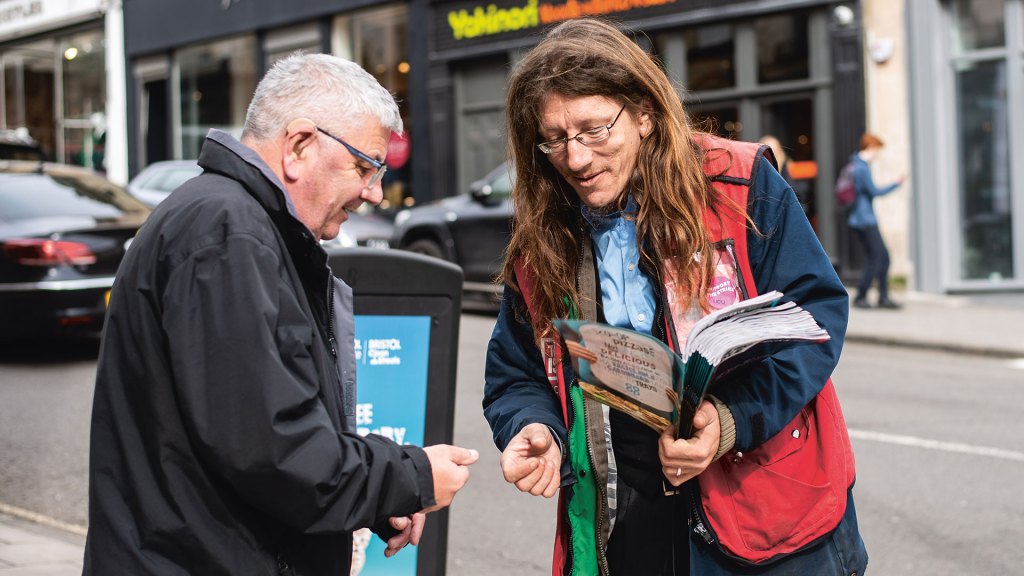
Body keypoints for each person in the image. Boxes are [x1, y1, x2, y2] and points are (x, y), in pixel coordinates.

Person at [483, 19, 867, 575]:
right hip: (626, 515)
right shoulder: (543, 237)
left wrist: (730, 420)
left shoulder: (739, 183)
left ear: (643, 113)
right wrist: (532, 426)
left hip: (761, 504)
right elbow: (515, 370)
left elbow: (814, 316)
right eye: (556, 139)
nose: (576, 159)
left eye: (594, 130)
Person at [84, 53, 479, 575]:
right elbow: (273, 451)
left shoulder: (234, 224)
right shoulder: (228, 233)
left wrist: (375, 497)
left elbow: (257, 429)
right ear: (298, 145)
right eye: (364, 167)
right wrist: (412, 477)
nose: (374, 192)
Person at [847, 132, 905, 309]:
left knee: (878, 257)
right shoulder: (861, 168)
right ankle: (867, 296)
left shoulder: (855, 164)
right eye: (878, 150)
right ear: (872, 148)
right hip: (865, 220)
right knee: (880, 257)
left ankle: (879, 296)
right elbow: (874, 192)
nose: (879, 154)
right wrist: (896, 183)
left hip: (860, 219)